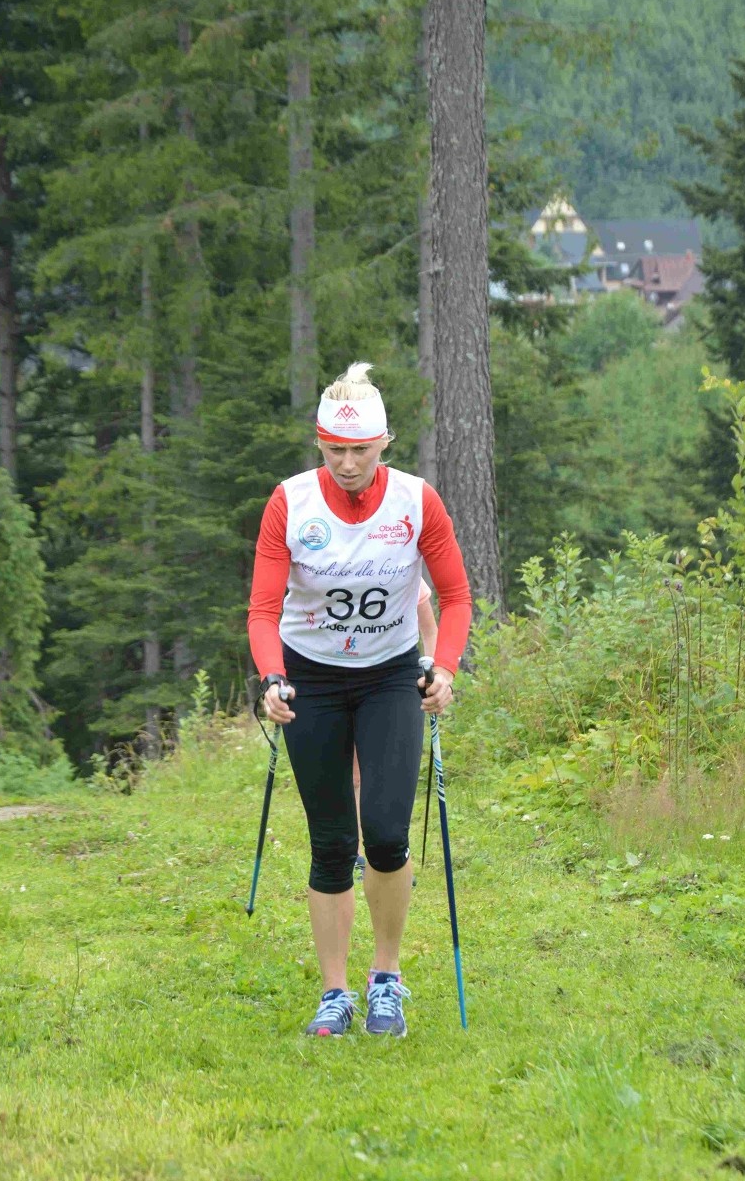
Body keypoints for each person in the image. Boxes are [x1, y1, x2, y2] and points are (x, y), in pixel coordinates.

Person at [248, 362, 471, 1038]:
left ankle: (386, 978)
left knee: (385, 831)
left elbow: (456, 596)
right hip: (310, 678)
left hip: (387, 676)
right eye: (334, 449)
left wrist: (445, 667)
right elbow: (263, 609)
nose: (347, 463)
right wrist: (271, 677)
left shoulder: (415, 500)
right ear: (320, 444)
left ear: (384, 444)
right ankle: (335, 992)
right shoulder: (289, 501)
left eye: (360, 450)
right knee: (330, 840)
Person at [353, 581, 437, 878]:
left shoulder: (404, 569)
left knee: (388, 773)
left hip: (389, 683)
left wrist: (435, 673)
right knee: (353, 773)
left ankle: (391, 851)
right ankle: (357, 854)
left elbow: (429, 630)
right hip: (334, 682)